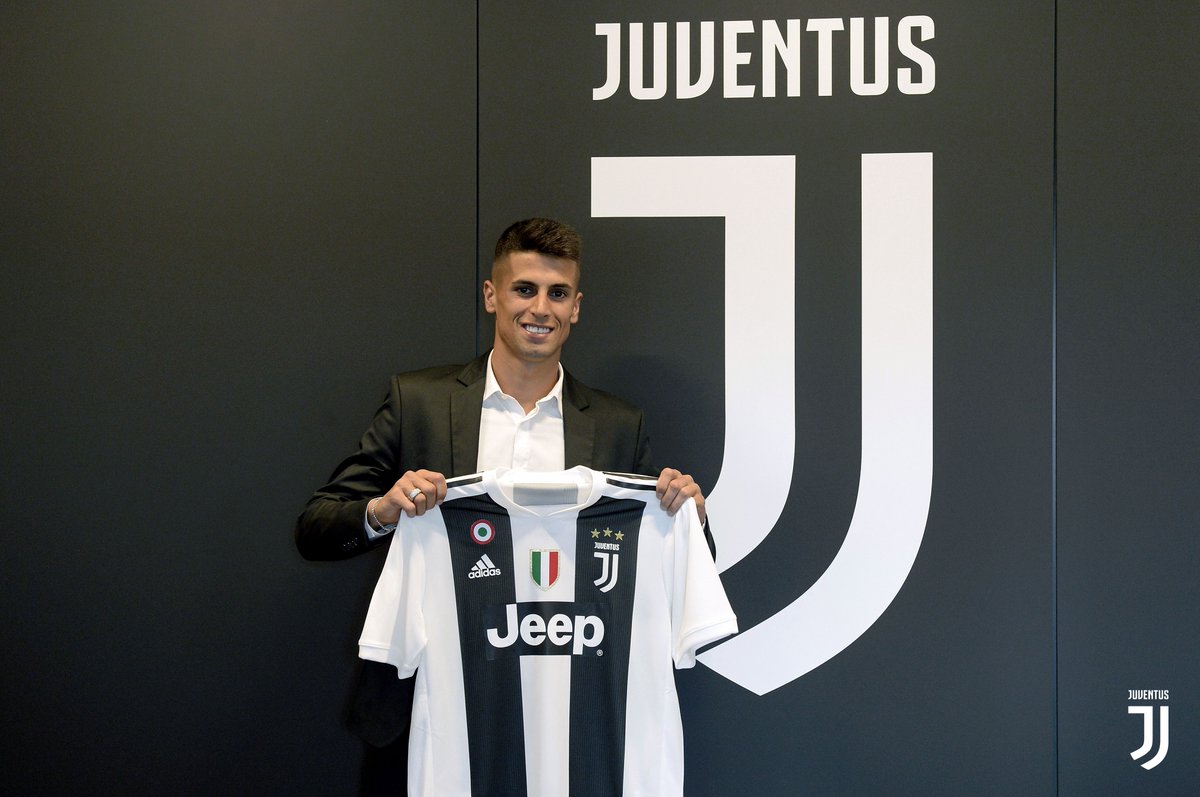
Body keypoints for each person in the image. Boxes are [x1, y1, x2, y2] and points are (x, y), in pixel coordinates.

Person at [295, 217, 711, 794]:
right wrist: (383, 512)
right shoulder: (418, 402)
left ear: (576, 307)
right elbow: (316, 527)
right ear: (492, 295)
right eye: (525, 289)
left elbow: (666, 556)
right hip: (434, 717)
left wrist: (692, 516)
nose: (540, 308)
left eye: (558, 294)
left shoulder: (618, 424)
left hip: (571, 718)